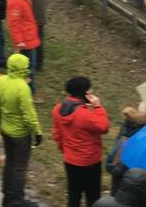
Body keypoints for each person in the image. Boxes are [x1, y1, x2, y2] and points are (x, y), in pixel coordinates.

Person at [0, 53, 43, 207]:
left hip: (5, 129)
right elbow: (29, 114)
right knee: (20, 167)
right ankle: (17, 199)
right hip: (21, 134)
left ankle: (7, 191)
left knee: (10, 162)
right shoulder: (23, 87)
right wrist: (37, 131)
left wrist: (0, 122)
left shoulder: (1, 81)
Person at [52, 76, 111, 207]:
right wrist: (98, 107)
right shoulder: (85, 115)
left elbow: (57, 133)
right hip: (90, 162)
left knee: (73, 194)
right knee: (93, 196)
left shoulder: (58, 109)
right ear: (83, 93)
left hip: (70, 161)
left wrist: (65, 149)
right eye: (90, 90)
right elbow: (104, 127)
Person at [7, 0, 42, 95]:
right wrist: (18, 42)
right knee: (28, 68)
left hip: (29, 37)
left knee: (29, 66)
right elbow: (13, 23)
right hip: (25, 41)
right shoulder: (16, 2)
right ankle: (29, 92)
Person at [27, 0, 49, 71]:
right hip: (41, 18)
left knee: (31, 41)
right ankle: (40, 64)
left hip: (31, 18)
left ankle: (32, 63)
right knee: (40, 42)